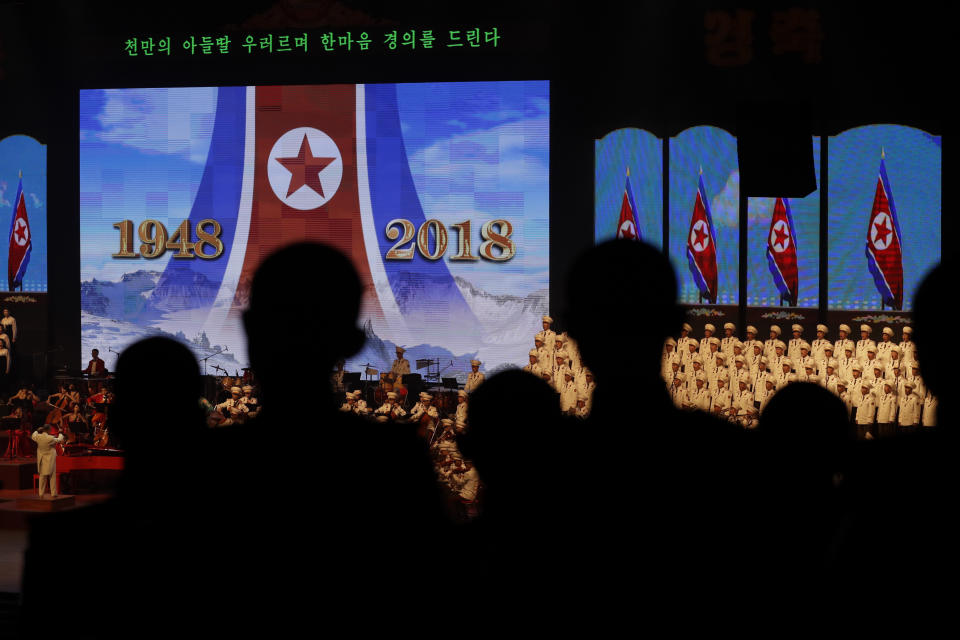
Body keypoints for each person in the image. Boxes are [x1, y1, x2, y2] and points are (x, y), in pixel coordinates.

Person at [31, 424, 64, 497]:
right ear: (49, 430)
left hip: (42, 459)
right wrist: (61, 433)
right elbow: (59, 440)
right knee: (52, 476)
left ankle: (41, 493)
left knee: (42, 476)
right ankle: (53, 493)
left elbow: (33, 435)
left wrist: (37, 430)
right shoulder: (50, 438)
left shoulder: (38, 436)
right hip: (50, 459)